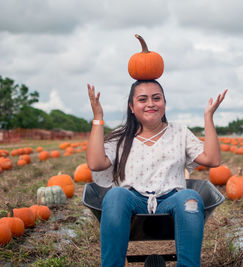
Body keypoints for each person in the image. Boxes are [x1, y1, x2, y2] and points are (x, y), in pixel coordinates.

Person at [86, 79, 227, 267]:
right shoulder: (122, 135)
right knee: (115, 194)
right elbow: (95, 163)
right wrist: (98, 117)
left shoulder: (179, 132)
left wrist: (208, 117)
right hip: (132, 199)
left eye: (156, 98)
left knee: (190, 198)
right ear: (131, 106)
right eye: (142, 99)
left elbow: (212, 160)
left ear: (165, 103)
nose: (151, 104)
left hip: (171, 199)